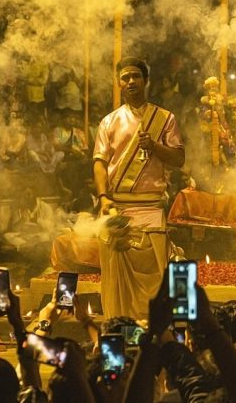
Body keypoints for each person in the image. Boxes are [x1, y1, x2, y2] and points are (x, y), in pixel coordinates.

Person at [93, 57, 184, 319]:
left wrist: (154, 147)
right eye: (125, 78)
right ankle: (118, 334)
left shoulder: (165, 119)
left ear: (145, 81)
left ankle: (156, 337)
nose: (130, 81)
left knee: (157, 282)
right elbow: (99, 162)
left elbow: (178, 159)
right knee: (116, 288)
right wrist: (103, 197)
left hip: (151, 209)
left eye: (136, 76)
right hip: (117, 210)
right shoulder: (108, 122)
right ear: (119, 83)